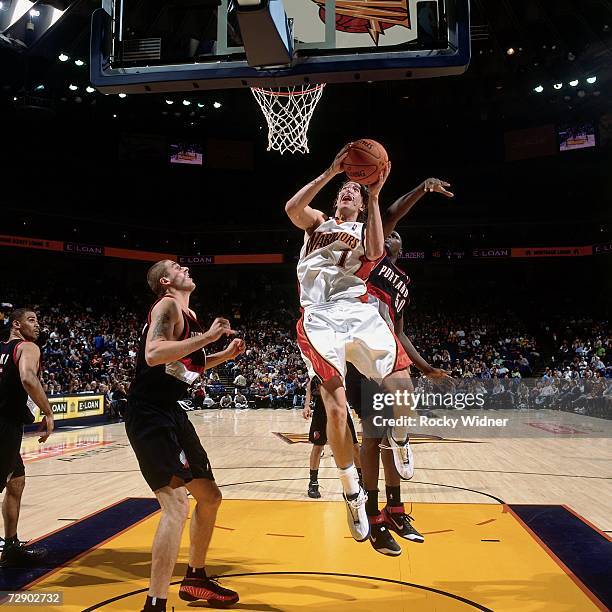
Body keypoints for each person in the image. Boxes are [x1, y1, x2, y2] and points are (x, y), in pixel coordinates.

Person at [286, 143, 415, 543]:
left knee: (403, 390)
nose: (348, 191)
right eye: (345, 189)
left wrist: (375, 194)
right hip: (320, 316)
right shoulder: (317, 224)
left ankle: (402, 439)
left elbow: (376, 251)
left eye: (354, 190)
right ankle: (351, 492)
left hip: (357, 310)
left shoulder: (365, 228)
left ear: (361, 202)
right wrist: (330, 170)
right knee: (337, 410)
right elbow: (292, 209)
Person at [126, 260, 245, 611]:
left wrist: (222, 354)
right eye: (178, 267)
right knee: (176, 506)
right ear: (165, 281)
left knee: (209, 497)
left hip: (172, 413)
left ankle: (195, 579)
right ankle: (155, 603)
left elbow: (181, 366)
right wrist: (208, 337)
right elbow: (152, 354)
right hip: (149, 414)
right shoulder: (166, 305)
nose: (186, 268)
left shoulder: (187, 315)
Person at [0, 308, 54, 567]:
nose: (38, 325)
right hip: (4, 425)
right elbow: (28, 378)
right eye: (32, 320)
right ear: (16, 324)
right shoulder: (27, 348)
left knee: (16, 481)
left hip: (6, 423)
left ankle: (11, 547)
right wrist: (48, 412)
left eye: (38, 320)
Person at [302, 375, 361, 498]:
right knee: (318, 447)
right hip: (321, 407)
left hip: (340, 406)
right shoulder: (318, 362)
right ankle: (313, 483)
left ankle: (362, 480)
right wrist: (307, 405)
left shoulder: (342, 363)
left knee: (355, 446)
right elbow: (310, 385)